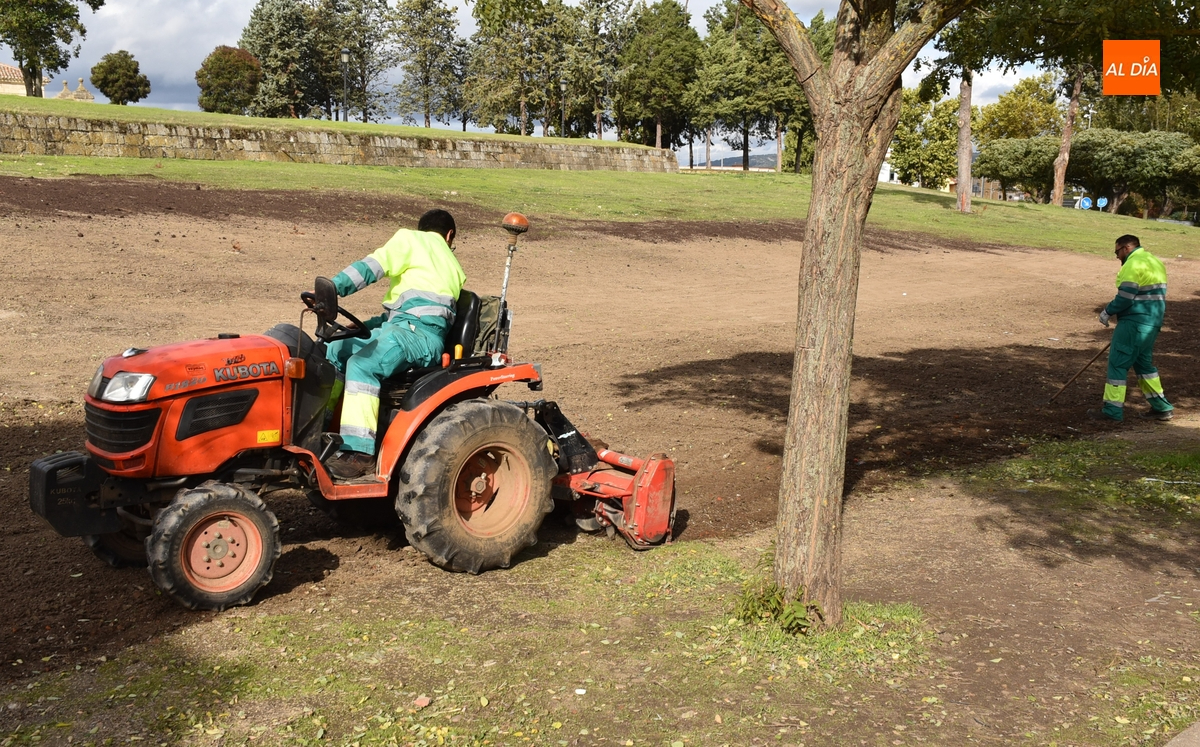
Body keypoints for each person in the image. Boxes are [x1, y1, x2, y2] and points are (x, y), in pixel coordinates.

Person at [324, 209, 466, 478]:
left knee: (362, 365)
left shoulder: (410, 240)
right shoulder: (453, 266)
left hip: (419, 337)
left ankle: (360, 453)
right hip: (406, 329)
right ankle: (325, 425)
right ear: (449, 236)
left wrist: (333, 287)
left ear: (420, 229)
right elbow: (412, 308)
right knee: (337, 348)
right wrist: (369, 325)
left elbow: (370, 268)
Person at [1092, 234, 1173, 423]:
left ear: (1126, 248)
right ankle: (1162, 407)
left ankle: (1112, 411)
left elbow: (1126, 296)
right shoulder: (1154, 261)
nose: (1117, 257)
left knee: (1118, 363)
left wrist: (1107, 311)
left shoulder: (1133, 264)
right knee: (1144, 366)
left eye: (1117, 252)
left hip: (1133, 323)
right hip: (1152, 322)